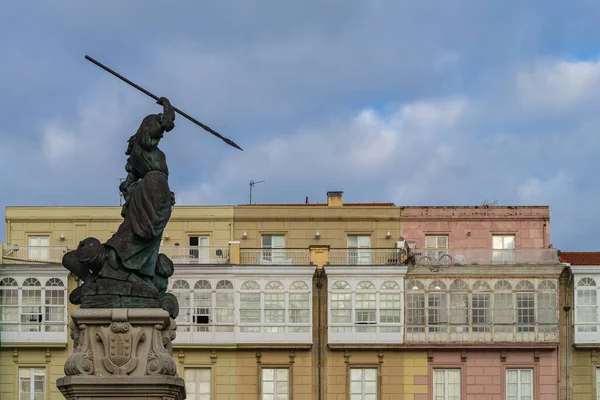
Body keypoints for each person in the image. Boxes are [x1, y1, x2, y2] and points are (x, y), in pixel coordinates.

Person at [105, 97, 176, 282]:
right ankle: (120, 255)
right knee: (147, 232)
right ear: (147, 128)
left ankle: (136, 269)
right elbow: (167, 123)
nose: (160, 135)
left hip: (156, 190)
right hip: (153, 188)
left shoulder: (139, 153)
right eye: (156, 130)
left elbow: (129, 181)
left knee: (146, 234)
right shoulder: (145, 144)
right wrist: (167, 106)